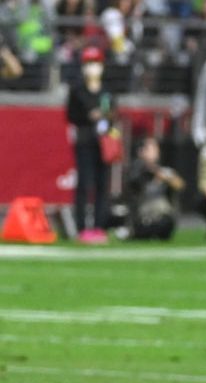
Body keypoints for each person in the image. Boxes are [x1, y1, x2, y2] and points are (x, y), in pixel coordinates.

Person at [66, 45, 116, 244]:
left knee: (102, 184)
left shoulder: (106, 91)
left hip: (103, 142)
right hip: (85, 140)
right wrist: (89, 116)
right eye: (89, 64)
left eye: (95, 63)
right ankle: (81, 227)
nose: (93, 68)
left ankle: (99, 225)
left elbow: (113, 113)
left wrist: (107, 117)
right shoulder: (78, 90)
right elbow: (71, 116)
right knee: (85, 183)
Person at [124, 136, 184, 240]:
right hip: (142, 217)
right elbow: (133, 184)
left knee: (166, 222)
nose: (154, 152)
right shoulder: (136, 171)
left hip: (161, 216)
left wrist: (165, 178)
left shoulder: (164, 171)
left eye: (155, 148)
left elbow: (180, 185)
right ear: (141, 152)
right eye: (150, 148)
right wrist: (147, 171)